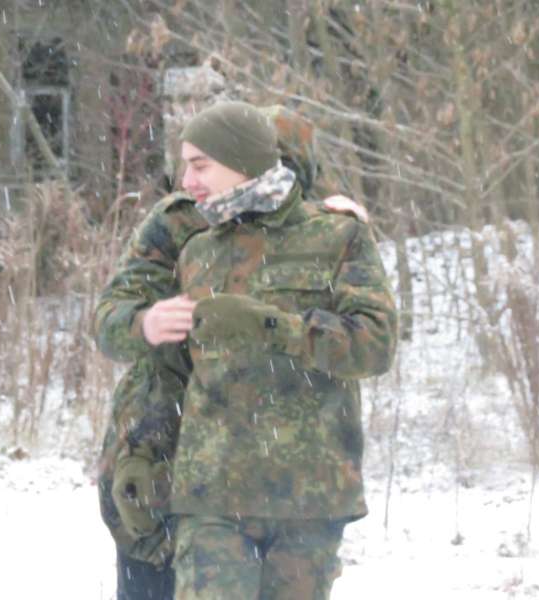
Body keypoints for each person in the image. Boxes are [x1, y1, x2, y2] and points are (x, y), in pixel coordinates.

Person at [93, 103, 389, 600]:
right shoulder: (180, 223)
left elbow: (368, 337)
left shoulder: (328, 228)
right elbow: (113, 321)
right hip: (171, 432)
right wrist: (144, 323)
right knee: (149, 580)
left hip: (289, 467)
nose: (191, 179)